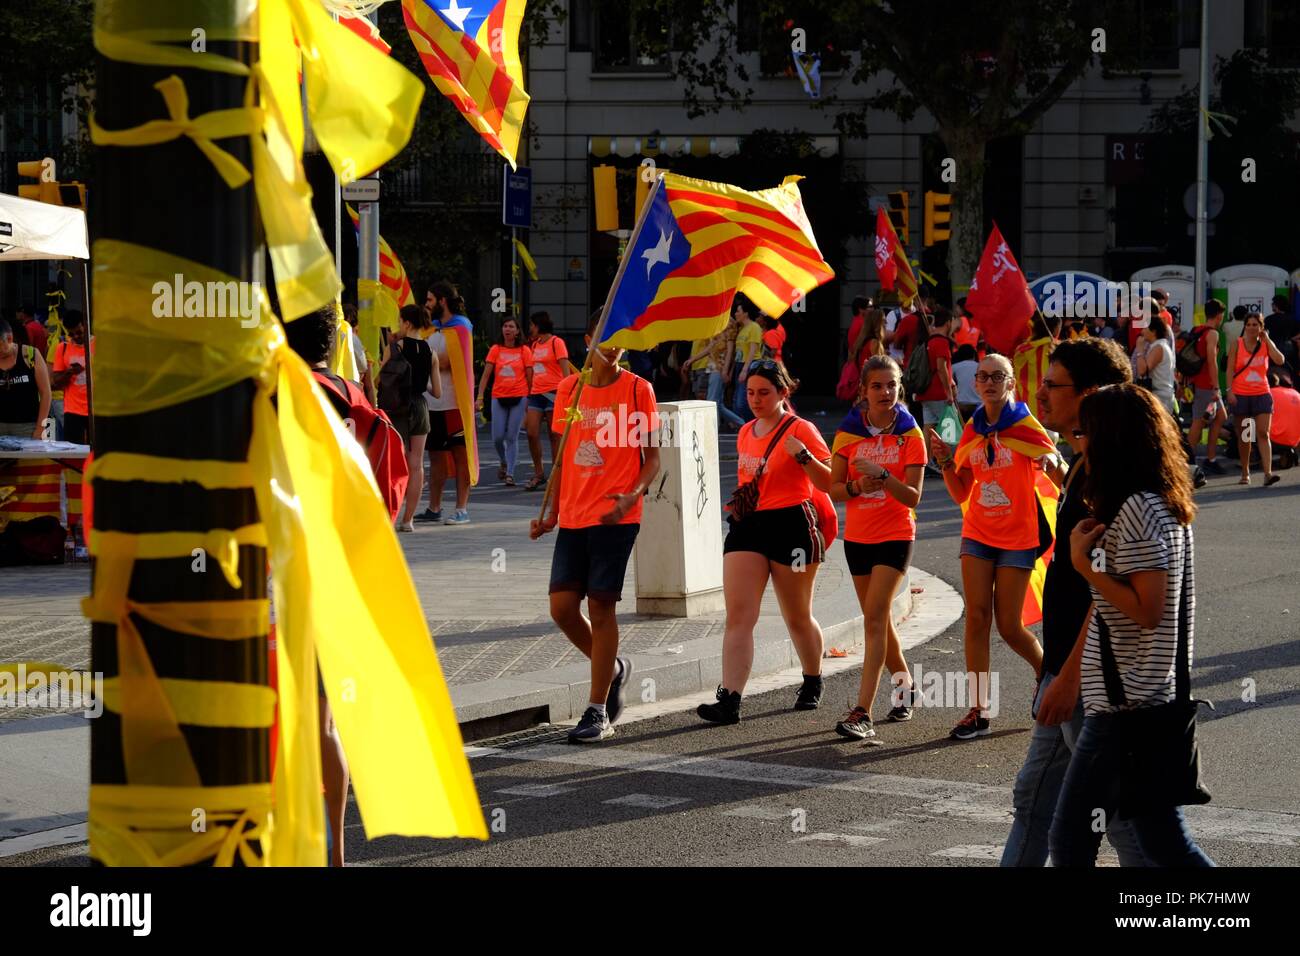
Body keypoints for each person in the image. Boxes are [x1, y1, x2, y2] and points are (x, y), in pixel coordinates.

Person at [1048, 384, 1214, 867]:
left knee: (1071, 840)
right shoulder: (1159, 502)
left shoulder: (1140, 508)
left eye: (1087, 432)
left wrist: (1085, 566)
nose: (1081, 443)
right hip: (1139, 700)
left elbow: (1148, 609)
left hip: (1128, 707)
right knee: (1161, 841)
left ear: (1113, 437)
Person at [1001, 336, 1149, 866]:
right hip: (1066, 670)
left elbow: (1106, 595)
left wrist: (1064, 679)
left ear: (1090, 394)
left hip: (1091, 679)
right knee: (1036, 805)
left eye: (1053, 384)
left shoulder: (1112, 478)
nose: (1040, 393)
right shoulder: (1085, 465)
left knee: (1127, 825)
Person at [530, 311, 660, 743]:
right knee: (562, 608)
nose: (615, 345)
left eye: (622, 338)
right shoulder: (570, 387)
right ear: (588, 339)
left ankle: (596, 707)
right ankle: (614, 668)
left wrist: (633, 495)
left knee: (601, 609)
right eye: (606, 337)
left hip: (617, 517)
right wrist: (550, 512)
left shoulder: (640, 390)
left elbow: (653, 458)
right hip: (573, 515)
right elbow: (565, 455)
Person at [698, 359, 832, 725]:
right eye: (750, 393)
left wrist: (802, 456)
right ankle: (730, 699)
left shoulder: (802, 429)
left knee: (797, 616)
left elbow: (829, 482)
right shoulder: (746, 432)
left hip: (792, 526)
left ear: (783, 393)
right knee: (739, 616)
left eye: (764, 393)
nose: (755, 400)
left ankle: (812, 678)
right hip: (749, 525)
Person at [928, 354, 1051, 740]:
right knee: (977, 619)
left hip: (1018, 537)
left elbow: (1054, 463)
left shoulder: (1027, 426)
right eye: (983, 376)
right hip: (978, 533)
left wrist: (1051, 461)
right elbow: (963, 491)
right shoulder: (972, 429)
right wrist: (946, 462)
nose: (990, 382)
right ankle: (978, 710)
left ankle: (1047, 674)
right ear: (976, 385)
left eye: (999, 376)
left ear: (1011, 384)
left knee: (1010, 627)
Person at [829, 356, 925, 740]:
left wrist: (883, 477)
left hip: (896, 535)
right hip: (858, 539)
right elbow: (833, 489)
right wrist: (855, 487)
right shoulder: (848, 433)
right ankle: (906, 688)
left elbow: (914, 497)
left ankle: (862, 711)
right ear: (863, 391)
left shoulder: (910, 434)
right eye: (877, 386)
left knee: (872, 619)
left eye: (892, 385)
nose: (886, 392)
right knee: (880, 619)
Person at [419, 282, 473, 525]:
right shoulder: (431, 329)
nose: (426, 304)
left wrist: (423, 359)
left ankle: (461, 508)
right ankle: (434, 507)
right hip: (432, 403)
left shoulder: (461, 327)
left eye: (430, 300)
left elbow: (445, 362)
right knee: (436, 455)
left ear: (442, 301)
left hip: (454, 403)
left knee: (460, 455)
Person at [383, 305, 435, 531]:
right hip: (421, 406)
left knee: (395, 462)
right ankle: (409, 520)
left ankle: (391, 516)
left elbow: (380, 380)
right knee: (417, 465)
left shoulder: (395, 348)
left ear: (406, 323)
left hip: (397, 407)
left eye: (399, 321)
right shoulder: (430, 352)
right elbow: (437, 392)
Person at [1230, 311, 1285, 486]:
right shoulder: (1236, 344)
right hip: (1242, 395)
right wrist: (1229, 391)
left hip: (1261, 394)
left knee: (1263, 433)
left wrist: (1267, 340)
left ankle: (1268, 473)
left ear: (1261, 327)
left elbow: (1280, 360)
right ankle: (1245, 472)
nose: (1252, 328)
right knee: (1246, 436)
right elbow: (1230, 369)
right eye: (1249, 325)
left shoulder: (1265, 344)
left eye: (1255, 325)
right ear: (1244, 327)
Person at [475, 317, 533, 486]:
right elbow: (486, 375)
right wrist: (479, 397)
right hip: (498, 396)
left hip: (519, 396)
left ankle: (510, 473)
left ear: (517, 331)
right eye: (505, 326)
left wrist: (530, 398)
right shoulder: (496, 349)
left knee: (512, 437)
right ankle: (503, 460)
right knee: (497, 437)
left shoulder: (524, 351)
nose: (507, 329)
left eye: (511, 326)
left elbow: (530, 377)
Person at [522, 311, 575, 492]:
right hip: (537, 393)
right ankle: (539, 473)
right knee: (531, 432)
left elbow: (565, 370)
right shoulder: (535, 345)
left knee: (555, 436)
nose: (530, 329)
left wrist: (568, 394)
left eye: (531, 326)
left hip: (555, 393)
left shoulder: (556, 342)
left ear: (538, 326)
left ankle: (556, 473)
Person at [682, 317, 745, 431]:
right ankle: (741, 424)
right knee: (717, 403)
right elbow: (711, 347)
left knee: (712, 402)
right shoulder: (715, 321)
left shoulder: (728, 322)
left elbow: (730, 349)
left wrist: (725, 370)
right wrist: (693, 359)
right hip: (712, 366)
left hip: (719, 367)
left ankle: (713, 429)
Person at [1186, 300, 1227, 474]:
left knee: (1220, 416)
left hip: (1197, 382)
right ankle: (1185, 462)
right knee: (1198, 422)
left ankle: (1210, 458)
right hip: (1206, 386)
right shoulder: (1212, 334)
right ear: (1219, 315)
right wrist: (1216, 387)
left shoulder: (1196, 330)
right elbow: (1212, 360)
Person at [0, 318, 52, 438]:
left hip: (28, 427)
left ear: (9, 338)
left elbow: (46, 393)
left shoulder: (31, 355)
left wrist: (40, 428)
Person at [48, 309, 93, 445]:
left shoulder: (100, 345)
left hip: (96, 409)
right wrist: (69, 372)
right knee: (73, 453)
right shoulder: (63, 348)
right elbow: (55, 382)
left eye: (79, 332)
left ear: (85, 325)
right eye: (71, 334)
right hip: (72, 410)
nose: (76, 336)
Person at [1013, 311, 1058, 425]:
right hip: (1050, 406)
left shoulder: (1021, 350)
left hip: (1024, 407)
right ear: (1056, 329)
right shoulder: (1056, 349)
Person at [916, 307, 957, 429]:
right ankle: (950, 449)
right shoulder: (941, 341)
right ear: (948, 322)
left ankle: (926, 449)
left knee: (928, 427)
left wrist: (952, 383)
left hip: (926, 393)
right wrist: (948, 392)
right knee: (949, 428)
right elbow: (941, 367)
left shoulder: (929, 340)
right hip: (939, 393)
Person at [731, 295, 765, 422]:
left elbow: (753, 350)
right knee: (737, 399)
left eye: (738, 311)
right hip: (740, 364)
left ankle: (752, 423)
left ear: (745, 313)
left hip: (750, 365)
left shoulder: (754, 327)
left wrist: (745, 370)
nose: (735, 314)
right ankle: (746, 425)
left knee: (742, 401)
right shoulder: (742, 329)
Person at [1134, 315, 1176, 415]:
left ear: (1154, 331)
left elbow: (1142, 371)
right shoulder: (1159, 345)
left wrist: (1139, 350)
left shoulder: (1159, 347)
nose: (1142, 331)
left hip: (1160, 397)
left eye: (1145, 328)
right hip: (1161, 395)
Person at [1263, 294, 1299, 369]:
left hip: (1272, 349)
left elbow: (1263, 334)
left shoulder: (1269, 319)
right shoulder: (1292, 319)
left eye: (1272, 304)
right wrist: (1291, 339)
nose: (1271, 305)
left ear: (1276, 306)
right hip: (1289, 348)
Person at [952, 343, 980, 420]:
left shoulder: (954, 367)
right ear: (974, 355)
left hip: (961, 405)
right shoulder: (981, 366)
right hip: (979, 404)